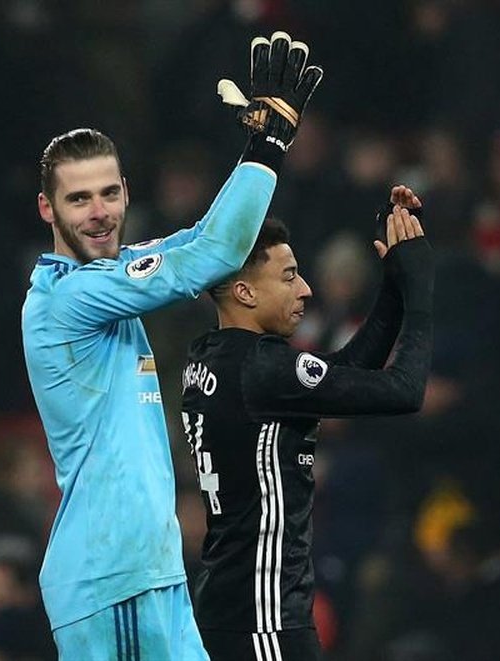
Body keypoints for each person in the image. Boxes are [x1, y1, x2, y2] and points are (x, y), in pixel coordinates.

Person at [21, 31, 322, 660]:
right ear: (47, 210)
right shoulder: (67, 300)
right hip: (112, 575)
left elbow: (208, 242)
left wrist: (252, 147)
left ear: (127, 192)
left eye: (108, 193)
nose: (98, 211)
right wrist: (268, 146)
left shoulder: (109, 276)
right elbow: (209, 257)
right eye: (78, 199)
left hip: (143, 571)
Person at [180, 187, 434, 660]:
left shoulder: (209, 357)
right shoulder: (261, 370)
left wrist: (393, 291)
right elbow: (403, 391)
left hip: (230, 606)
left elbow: (341, 376)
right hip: (265, 619)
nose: (306, 290)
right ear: (244, 290)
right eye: (290, 276)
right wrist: (421, 294)